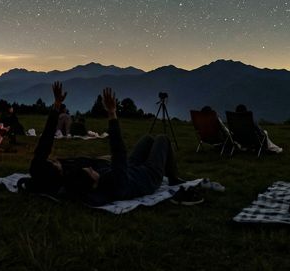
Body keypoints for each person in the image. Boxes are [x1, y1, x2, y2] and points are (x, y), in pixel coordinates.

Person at [21, 83, 189, 205]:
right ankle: (173, 178)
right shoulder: (115, 185)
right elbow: (118, 152)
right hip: (148, 175)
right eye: (54, 163)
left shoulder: (44, 171)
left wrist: (57, 105)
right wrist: (112, 113)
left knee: (148, 139)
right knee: (162, 139)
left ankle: (166, 169)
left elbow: (45, 142)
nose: (55, 160)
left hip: (129, 168)